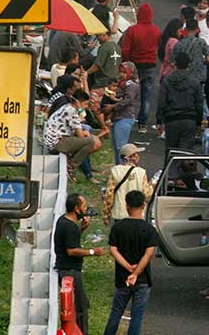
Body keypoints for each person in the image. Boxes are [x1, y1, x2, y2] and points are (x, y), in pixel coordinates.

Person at [103, 190, 158, 335]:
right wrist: (135, 272)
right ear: (143, 205)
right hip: (142, 279)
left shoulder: (118, 228)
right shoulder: (149, 230)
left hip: (122, 278)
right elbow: (148, 254)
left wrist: (127, 267)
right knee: (137, 316)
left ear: (127, 206)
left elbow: (113, 250)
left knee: (116, 313)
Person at [54, 193, 106, 335]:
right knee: (80, 308)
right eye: (83, 206)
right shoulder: (69, 226)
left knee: (79, 305)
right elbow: (71, 250)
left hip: (66, 270)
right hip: (70, 271)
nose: (85, 209)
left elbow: (70, 241)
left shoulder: (63, 222)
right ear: (77, 209)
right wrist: (92, 252)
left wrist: (81, 229)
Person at [44, 90, 102, 179]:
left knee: (91, 140)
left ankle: (71, 162)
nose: (86, 107)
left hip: (55, 140)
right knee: (90, 141)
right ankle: (71, 166)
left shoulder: (66, 107)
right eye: (85, 104)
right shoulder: (71, 111)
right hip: (56, 143)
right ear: (78, 102)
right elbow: (81, 136)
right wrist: (85, 133)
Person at [121, 4, 161, 133]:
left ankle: (125, 118)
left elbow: (126, 49)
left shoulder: (132, 30)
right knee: (146, 96)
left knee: (129, 93)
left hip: (135, 65)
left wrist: (125, 62)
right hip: (150, 65)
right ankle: (142, 124)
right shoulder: (156, 30)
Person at [157, 53, 204, 150]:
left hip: (171, 119)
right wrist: (199, 123)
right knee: (184, 154)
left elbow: (162, 102)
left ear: (175, 64)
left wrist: (159, 121)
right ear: (188, 65)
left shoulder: (167, 81)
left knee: (171, 152)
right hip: (189, 120)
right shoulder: (194, 82)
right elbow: (199, 104)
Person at [102, 144, 153, 226]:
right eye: (135, 154)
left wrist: (106, 214)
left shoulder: (115, 171)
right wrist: (152, 185)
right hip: (137, 215)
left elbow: (109, 195)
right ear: (132, 157)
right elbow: (146, 194)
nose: (137, 156)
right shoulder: (141, 172)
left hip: (119, 215)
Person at [105, 62, 140, 164]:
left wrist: (113, 107)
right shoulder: (122, 83)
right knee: (116, 147)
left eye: (124, 72)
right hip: (117, 117)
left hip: (125, 117)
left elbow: (127, 100)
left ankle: (123, 170)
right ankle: (118, 169)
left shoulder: (132, 85)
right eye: (120, 72)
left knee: (121, 147)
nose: (121, 74)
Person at [172, 18, 209, 93]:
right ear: (197, 29)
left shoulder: (179, 44)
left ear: (185, 29)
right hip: (198, 78)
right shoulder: (201, 42)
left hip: (183, 78)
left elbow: (173, 62)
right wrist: (202, 62)